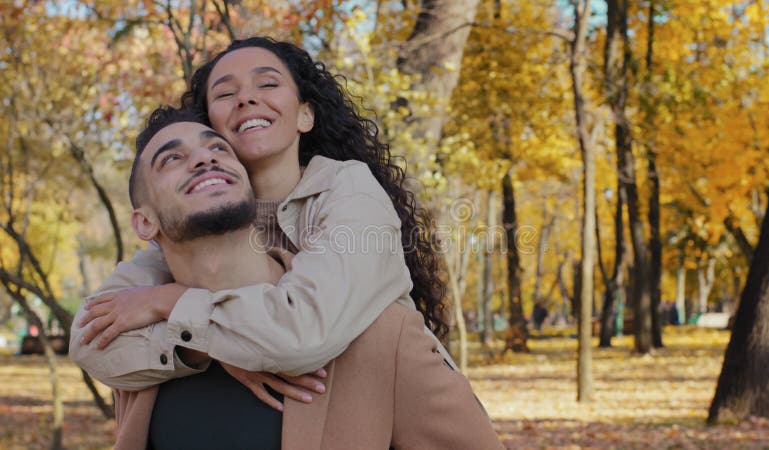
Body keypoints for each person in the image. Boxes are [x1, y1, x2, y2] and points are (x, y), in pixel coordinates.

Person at [70, 37, 456, 407]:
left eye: (268, 83)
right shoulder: (207, 224)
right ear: (212, 129)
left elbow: (302, 333)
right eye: (225, 94)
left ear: (305, 115)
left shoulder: (350, 192)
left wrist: (169, 302)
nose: (247, 98)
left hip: (414, 415)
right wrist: (211, 345)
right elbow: (89, 339)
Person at [98, 106, 502, 449]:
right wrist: (203, 339)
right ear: (144, 222)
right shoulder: (142, 339)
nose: (204, 160)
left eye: (218, 148)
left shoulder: (382, 335)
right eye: (172, 159)